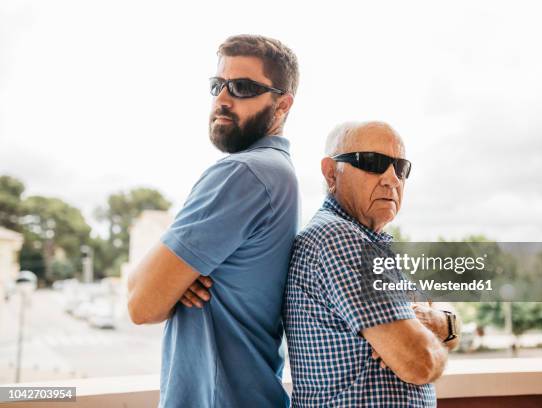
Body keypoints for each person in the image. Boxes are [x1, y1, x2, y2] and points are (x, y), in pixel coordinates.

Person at [127, 34, 300, 408]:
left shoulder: (243, 173)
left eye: (241, 87)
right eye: (217, 85)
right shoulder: (277, 172)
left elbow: (140, 304)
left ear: (282, 105)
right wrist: (174, 281)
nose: (222, 98)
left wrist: (170, 282)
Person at [282, 121, 461, 407]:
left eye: (401, 167)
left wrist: (441, 323)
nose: (392, 178)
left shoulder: (371, 244)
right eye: (373, 162)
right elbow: (420, 362)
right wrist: (430, 336)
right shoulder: (340, 238)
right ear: (331, 173)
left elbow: (439, 314)